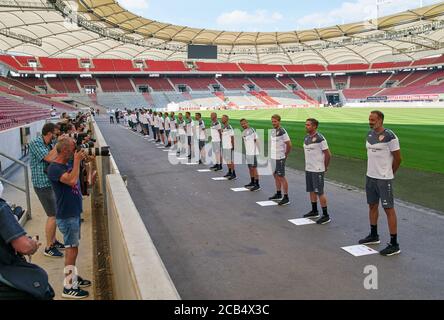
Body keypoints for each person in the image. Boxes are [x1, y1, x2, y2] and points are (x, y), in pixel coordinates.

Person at [47, 138, 92, 299]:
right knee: (71, 250)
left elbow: (79, 180)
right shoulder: (54, 168)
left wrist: (83, 163)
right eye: (74, 149)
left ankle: (73, 276)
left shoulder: (65, 165)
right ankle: (68, 286)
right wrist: (77, 161)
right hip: (66, 216)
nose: (76, 151)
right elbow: (72, 180)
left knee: (74, 249)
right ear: (65, 151)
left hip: (72, 214)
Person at [359, 110, 402, 257]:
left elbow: (398, 159)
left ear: (381, 120)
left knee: (388, 209)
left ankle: (394, 244)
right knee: (372, 206)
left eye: (373, 120)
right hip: (370, 176)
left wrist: (389, 173)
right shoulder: (369, 134)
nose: (370, 122)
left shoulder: (390, 136)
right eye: (369, 119)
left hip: (384, 179)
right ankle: (373, 235)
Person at [0, 194, 55, 300]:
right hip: (5, 275)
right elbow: (25, 247)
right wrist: (32, 244)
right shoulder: (2, 208)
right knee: (42, 287)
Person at [28, 123, 64, 258]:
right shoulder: (35, 143)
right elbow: (49, 158)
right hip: (42, 184)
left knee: (55, 214)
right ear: (49, 133)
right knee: (52, 215)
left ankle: (53, 241)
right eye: (55, 134)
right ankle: (48, 247)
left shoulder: (49, 143)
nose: (56, 136)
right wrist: (57, 144)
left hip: (49, 183)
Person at [302, 119, 332, 225]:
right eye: (306, 124)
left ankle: (326, 215)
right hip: (309, 168)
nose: (306, 126)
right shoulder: (306, 138)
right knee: (311, 190)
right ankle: (314, 211)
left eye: (308, 125)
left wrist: (325, 167)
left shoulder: (320, 138)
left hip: (317, 169)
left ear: (314, 126)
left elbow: (328, 154)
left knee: (319, 192)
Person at [269, 114, 292, 206]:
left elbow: (289, 144)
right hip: (273, 157)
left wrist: (285, 154)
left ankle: (286, 197)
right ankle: (278, 193)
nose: (273, 123)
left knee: (281, 176)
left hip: (280, 157)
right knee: (275, 175)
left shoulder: (282, 131)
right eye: (272, 121)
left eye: (275, 121)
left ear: (279, 121)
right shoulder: (273, 131)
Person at [240, 119, 261, 191]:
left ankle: (257, 184)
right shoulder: (243, 132)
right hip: (248, 153)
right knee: (250, 168)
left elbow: (257, 140)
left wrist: (259, 152)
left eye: (244, 123)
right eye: (242, 124)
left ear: (247, 123)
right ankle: (252, 182)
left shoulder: (252, 130)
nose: (243, 125)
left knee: (254, 168)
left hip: (253, 153)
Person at [221, 115, 236, 180]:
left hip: (228, 146)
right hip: (224, 146)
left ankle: (233, 173)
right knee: (227, 160)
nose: (222, 119)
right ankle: (229, 172)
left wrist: (233, 145)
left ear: (226, 119)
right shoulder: (224, 127)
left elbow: (232, 137)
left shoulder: (229, 127)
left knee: (230, 160)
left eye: (223, 118)